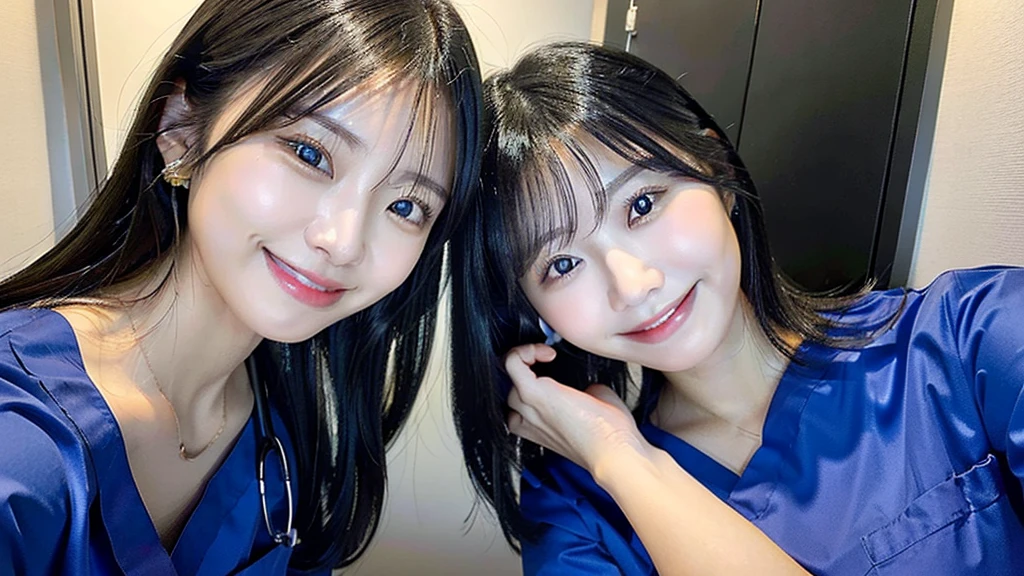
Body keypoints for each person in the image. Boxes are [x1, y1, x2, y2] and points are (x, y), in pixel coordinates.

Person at [449, 41, 1024, 575]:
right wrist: (621, 461)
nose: (633, 285)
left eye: (643, 204)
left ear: (717, 171)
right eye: (562, 265)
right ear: (533, 308)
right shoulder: (578, 512)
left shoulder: (967, 337)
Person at [0, 0, 481, 574]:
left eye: (406, 205)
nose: (344, 241)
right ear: (180, 128)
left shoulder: (279, 419)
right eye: (310, 153)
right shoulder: (22, 448)